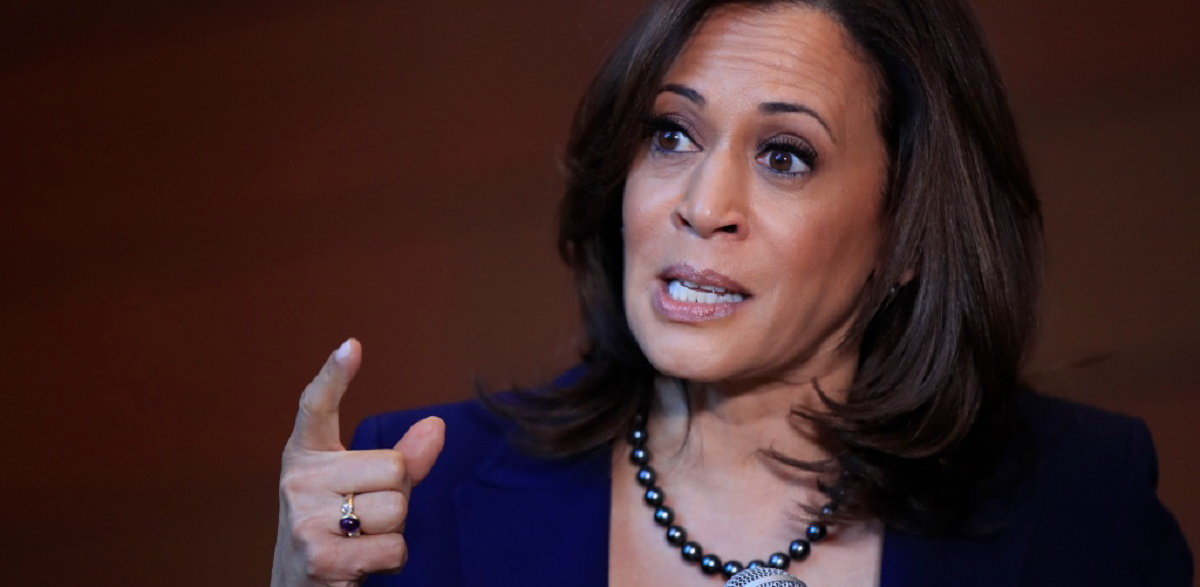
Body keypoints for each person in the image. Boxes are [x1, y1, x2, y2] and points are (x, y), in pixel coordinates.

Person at [271, 0, 1194, 585]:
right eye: (671, 135)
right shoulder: (412, 490)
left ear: (907, 235)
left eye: (786, 156)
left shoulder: (1081, 501)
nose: (703, 205)